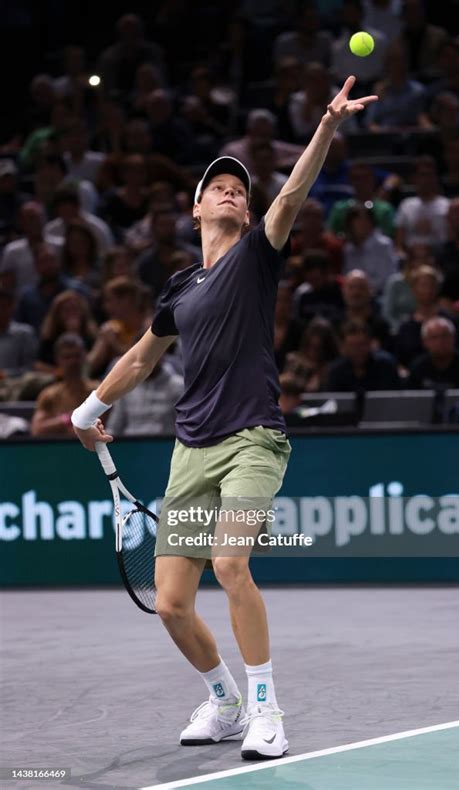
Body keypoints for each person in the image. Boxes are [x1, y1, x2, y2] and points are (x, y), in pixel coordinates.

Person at [71, 76, 377, 760]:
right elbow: (141, 358)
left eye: (240, 185)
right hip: (192, 451)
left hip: (252, 442)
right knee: (174, 601)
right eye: (219, 185)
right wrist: (89, 408)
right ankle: (226, 701)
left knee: (231, 562)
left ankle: (269, 712)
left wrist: (326, 127)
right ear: (196, 206)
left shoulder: (256, 255)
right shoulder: (180, 287)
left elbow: (293, 193)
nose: (232, 189)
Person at [31, 333, 98, 438]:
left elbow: (99, 427)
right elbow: (37, 429)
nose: (73, 362)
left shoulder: (97, 391)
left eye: (77, 356)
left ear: (84, 356)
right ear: (58, 359)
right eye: (67, 357)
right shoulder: (49, 395)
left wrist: (58, 425)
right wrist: (69, 418)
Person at [106, 357, 184, 437]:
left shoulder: (178, 386)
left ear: (163, 353)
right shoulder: (126, 385)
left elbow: (185, 428)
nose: (148, 358)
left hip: (165, 445)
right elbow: (114, 428)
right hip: (130, 445)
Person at [327, 320, 399, 393]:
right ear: (344, 347)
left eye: (362, 344)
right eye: (352, 346)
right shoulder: (336, 371)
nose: (357, 350)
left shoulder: (386, 367)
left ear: (370, 344)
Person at [342, 203, 398, 295]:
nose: (362, 223)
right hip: (354, 295)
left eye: (365, 219)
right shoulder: (348, 249)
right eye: (357, 220)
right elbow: (347, 276)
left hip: (380, 295)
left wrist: (364, 290)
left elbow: (388, 278)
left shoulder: (384, 245)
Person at [408, 317, 459, 391]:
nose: (440, 341)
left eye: (445, 336)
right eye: (434, 337)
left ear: (454, 338)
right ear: (424, 341)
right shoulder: (417, 367)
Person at [0, 289, 38, 377]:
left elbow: (32, 368)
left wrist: (5, 374)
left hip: (16, 387)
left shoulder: (24, 333)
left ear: (12, 307)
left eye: (3, 306)